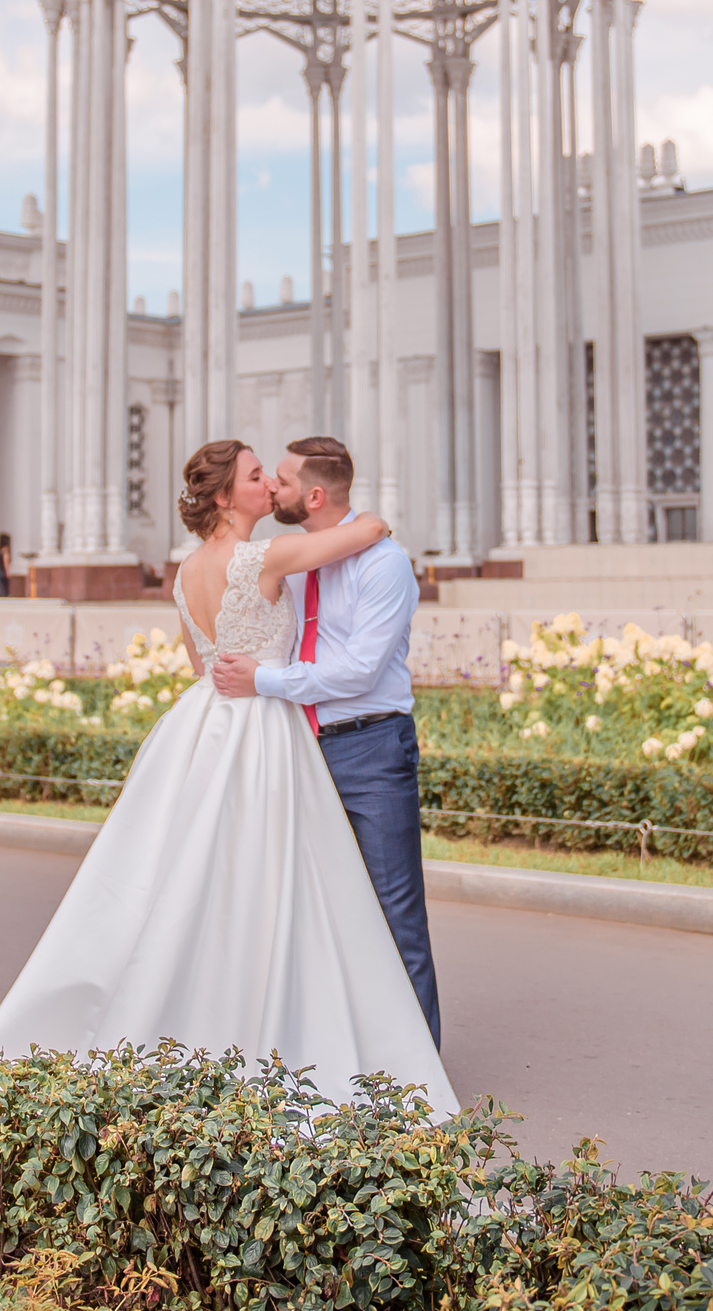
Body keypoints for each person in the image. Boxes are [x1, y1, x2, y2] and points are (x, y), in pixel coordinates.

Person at [0, 439, 457, 1112]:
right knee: (276, 892)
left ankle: (203, 1028)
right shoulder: (263, 559)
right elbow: (372, 527)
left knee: (204, 886)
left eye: (277, 476)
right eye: (259, 477)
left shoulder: (185, 573)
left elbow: (198, 667)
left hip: (207, 728)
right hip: (265, 730)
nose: (271, 487)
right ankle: (297, 1042)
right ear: (228, 497)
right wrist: (366, 520)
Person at [209, 437, 439, 1047]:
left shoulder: (383, 563)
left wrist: (263, 681)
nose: (272, 489)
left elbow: (361, 670)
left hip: (370, 749)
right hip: (299, 749)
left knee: (394, 914)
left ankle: (418, 1076)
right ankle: (344, 1058)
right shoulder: (294, 560)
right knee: (319, 911)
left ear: (312, 495)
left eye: (280, 480)